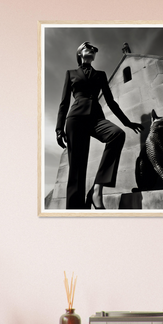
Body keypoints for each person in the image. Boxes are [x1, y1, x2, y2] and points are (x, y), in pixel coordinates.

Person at [55, 41, 143, 209]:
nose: (92, 51)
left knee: (117, 134)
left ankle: (97, 189)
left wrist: (127, 122)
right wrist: (59, 129)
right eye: (88, 48)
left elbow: (110, 101)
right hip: (75, 119)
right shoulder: (71, 73)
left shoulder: (101, 75)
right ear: (80, 53)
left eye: (94, 50)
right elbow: (64, 103)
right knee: (76, 169)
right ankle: (75, 213)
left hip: (96, 118)